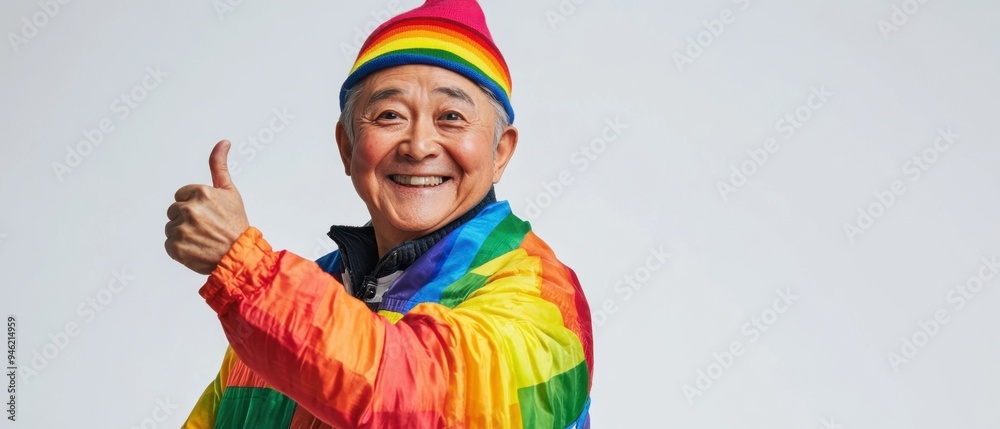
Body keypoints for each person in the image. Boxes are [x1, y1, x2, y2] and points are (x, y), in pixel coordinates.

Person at [164, 0, 594, 427]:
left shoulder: (542, 298)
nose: (419, 145)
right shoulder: (277, 309)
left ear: (500, 152)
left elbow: (413, 396)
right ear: (348, 146)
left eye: (451, 117)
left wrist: (243, 269)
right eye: (390, 115)